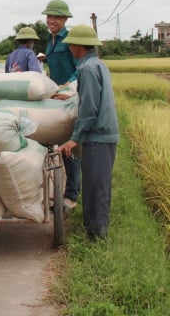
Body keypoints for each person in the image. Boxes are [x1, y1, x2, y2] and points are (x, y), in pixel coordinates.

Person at [57, 25, 119, 241]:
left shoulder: (87, 69)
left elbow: (90, 108)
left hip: (98, 136)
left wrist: (74, 138)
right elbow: (91, 98)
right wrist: (72, 98)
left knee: (96, 188)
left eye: (71, 45)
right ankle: (94, 232)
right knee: (96, 185)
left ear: (77, 46)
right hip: (103, 135)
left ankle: (96, 237)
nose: (70, 49)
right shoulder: (98, 64)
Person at [41, 0, 81, 211]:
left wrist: (69, 87)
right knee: (50, 143)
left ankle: (71, 196)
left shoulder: (69, 40)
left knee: (68, 148)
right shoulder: (51, 40)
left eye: (56, 17)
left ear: (65, 19)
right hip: (55, 99)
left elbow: (78, 68)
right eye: (49, 17)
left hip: (70, 97)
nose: (51, 20)